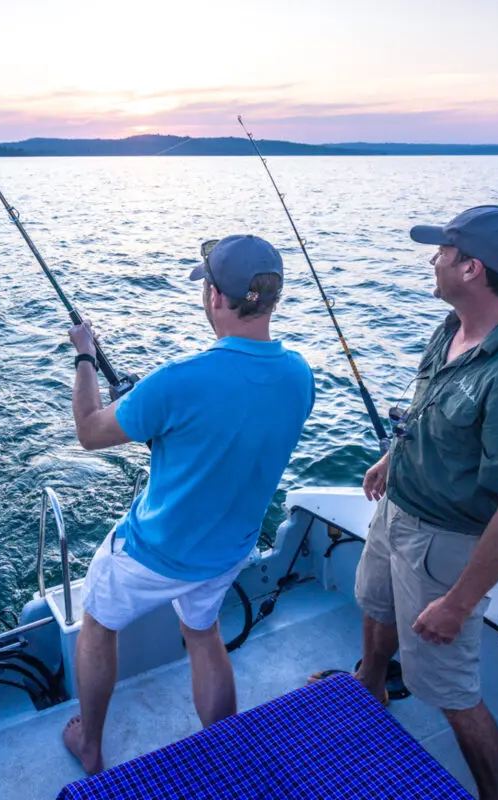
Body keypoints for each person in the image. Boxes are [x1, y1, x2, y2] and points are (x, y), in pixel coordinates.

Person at [62, 234, 315, 774]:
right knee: (203, 636)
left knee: (97, 623)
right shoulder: (300, 375)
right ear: (271, 298)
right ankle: (221, 751)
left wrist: (86, 355)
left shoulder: (178, 381)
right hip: (228, 551)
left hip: (156, 551)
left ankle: (90, 745)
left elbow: (88, 431)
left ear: (216, 299)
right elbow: (228, 435)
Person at [341, 206, 498, 800]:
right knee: (374, 602)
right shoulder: (450, 327)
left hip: (443, 544)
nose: (432, 261)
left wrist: (458, 602)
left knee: (448, 689)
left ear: (472, 268)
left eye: (442, 253)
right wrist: (392, 459)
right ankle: (369, 687)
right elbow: (428, 409)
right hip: (396, 508)